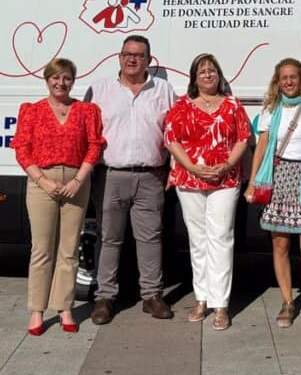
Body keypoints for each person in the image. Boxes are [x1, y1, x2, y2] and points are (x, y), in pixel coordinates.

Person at [86, 35, 178, 324]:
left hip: (151, 176)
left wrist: (173, 168)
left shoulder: (163, 90)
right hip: (110, 175)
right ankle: (104, 298)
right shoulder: (99, 90)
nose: (132, 59)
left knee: (150, 238)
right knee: (110, 238)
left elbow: (174, 133)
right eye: (127, 53)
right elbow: (87, 134)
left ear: (149, 60)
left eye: (139, 55)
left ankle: (151, 296)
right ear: (119, 57)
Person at [13, 58, 104, 336]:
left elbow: (95, 146)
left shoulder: (86, 111)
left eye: (66, 78)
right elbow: (21, 149)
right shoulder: (32, 111)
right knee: (41, 250)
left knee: (69, 249)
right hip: (43, 182)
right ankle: (37, 310)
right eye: (55, 78)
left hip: (76, 182)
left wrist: (80, 179)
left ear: (73, 81)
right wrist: (42, 180)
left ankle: (64, 307)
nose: (60, 83)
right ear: (47, 79)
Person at [164, 53, 251, 331]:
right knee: (198, 239)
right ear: (194, 77)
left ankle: (220, 304)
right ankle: (201, 298)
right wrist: (191, 166)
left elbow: (243, 138)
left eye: (212, 70)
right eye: (202, 71)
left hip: (224, 180)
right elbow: (171, 139)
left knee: (221, 238)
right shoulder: (181, 105)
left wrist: (226, 164)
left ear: (219, 74)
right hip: (189, 179)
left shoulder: (233, 105)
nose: (208, 75)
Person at [245, 58, 301, 333]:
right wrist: (253, 182)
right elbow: (262, 148)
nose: (289, 82)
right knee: (280, 246)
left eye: (294, 77)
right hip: (278, 179)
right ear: (277, 81)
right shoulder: (271, 109)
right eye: (284, 77)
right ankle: (286, 302)